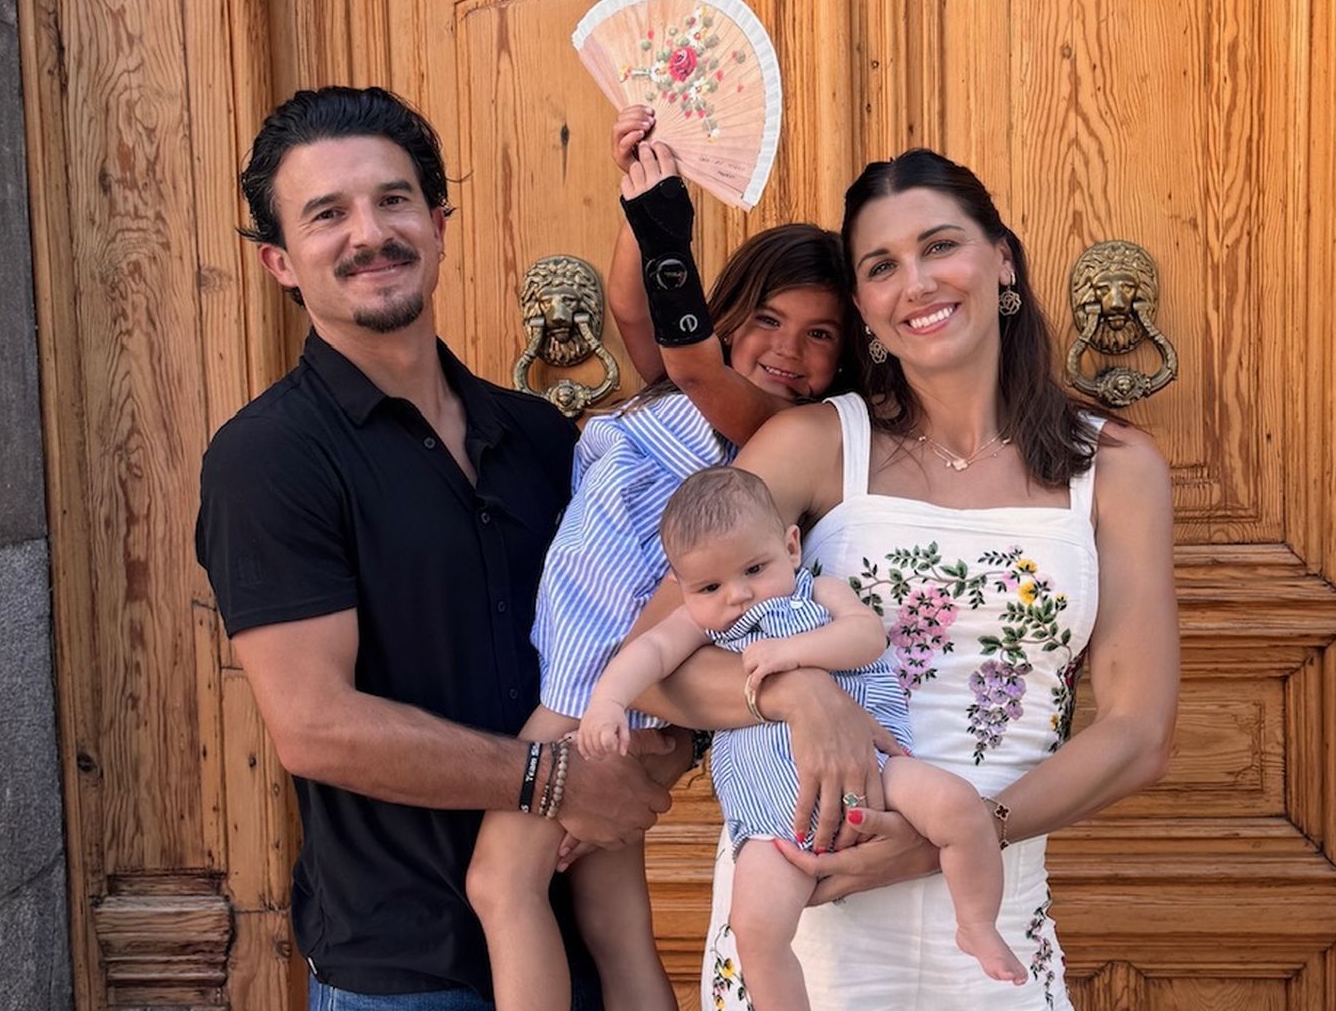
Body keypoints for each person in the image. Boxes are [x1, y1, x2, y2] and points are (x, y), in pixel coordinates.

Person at [631, 149, 1180, 1010]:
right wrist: (799, 698)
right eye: (882, 266)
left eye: (940, 247)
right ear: (864, 308)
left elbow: (1139, 733)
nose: (916, 284)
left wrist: (943, 844)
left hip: (992, 922)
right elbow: (655, 663)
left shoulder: (1114, 467)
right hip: (809, 930)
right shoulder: (816, 446)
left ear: (1001, 258)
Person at [193, 85, 688, 1010]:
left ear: (439, 222)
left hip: (585, 941)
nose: (368, 233)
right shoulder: (267, 460)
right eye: (326, 214)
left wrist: (659, 757)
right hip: (406, 969)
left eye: (392, 200)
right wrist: (554, 782)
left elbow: (650, 624)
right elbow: (314, 725)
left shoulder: (540, 434)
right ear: (280, 262)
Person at [465, 108, 858, 1011]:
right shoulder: (685, 381)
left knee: (501, 882)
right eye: (767, 320)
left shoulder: (766, 425)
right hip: (591, 671)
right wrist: (643, 189)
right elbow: (637, 307)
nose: (787, 352)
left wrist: (668, 223)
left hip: (598, 673)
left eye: (820, 336)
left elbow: (688, 364)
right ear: (730, 312)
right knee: (612, 923)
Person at [578, 465, 1028, 1008]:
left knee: (960, 809)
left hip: (877, 769)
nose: (738, 595)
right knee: (755, 929)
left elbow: (865, 637)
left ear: (791, 547)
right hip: (774, 818)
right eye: (709, 586)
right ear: (681, 587)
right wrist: (607, 701)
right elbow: (647, 654)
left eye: (754, 568)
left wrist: (794, 657)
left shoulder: (820, 594)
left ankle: (976, 922)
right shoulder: (702, 627)